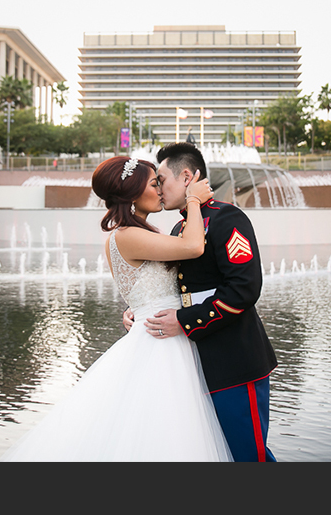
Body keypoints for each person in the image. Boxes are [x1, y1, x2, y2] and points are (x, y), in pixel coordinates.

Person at [0, 155, 230, 462]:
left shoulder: (138, 232)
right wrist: (193, 201)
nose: (161, 189)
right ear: (133, 193)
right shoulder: (128, 235)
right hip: (162, 343)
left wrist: (135, 310)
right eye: (154, 183)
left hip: (164, 331)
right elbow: (193, 247)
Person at [124, 142, 278, 462]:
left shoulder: (226, 218)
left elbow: (244, 289)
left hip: (234, 360)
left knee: (248, 456)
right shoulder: (183, 227)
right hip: (196, 364)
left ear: (186, 177)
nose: (159, 189)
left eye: (162, 180)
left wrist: (184, 321)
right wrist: (139, 311)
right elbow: (176, 288)